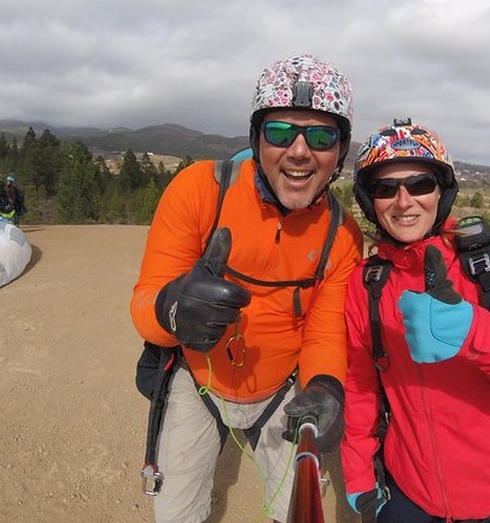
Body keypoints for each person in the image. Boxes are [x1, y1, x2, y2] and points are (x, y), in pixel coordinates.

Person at [130, 54, 364, 523]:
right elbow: (145, 305)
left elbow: (322, 333)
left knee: (295, 513)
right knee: (176, 512)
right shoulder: (199, 191)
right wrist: (174, 310)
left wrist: (324, 385)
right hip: (197, 379)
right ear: (256, 138)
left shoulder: (341, 235)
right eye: (280, 132)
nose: (300, 151)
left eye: (321, 136)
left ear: (340, 152)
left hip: (283, 392)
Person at [341, 119, 490, 523]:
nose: (403, 201)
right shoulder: (367, 282)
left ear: (441, 192)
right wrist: (357, 472)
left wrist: (473, 329)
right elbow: (361, 388)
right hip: (409, 491)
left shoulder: (488, 262)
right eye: (385, 189)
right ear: (369, 200)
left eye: (420, 184)